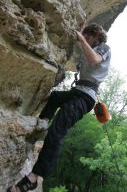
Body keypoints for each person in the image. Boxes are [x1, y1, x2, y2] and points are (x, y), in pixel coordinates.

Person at [7, 23, 111, 192]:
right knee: (55, 97)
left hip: (85, 97)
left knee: (58, 130)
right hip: (77, 91)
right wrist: (81, 29)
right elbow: (81, 42)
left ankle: (35, 177)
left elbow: (95, 60)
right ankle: (42, 124)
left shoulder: (104, 48)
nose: (86, 40)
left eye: (89, 37)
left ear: (96, 37)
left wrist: (83, 39)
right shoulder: (88, 47)